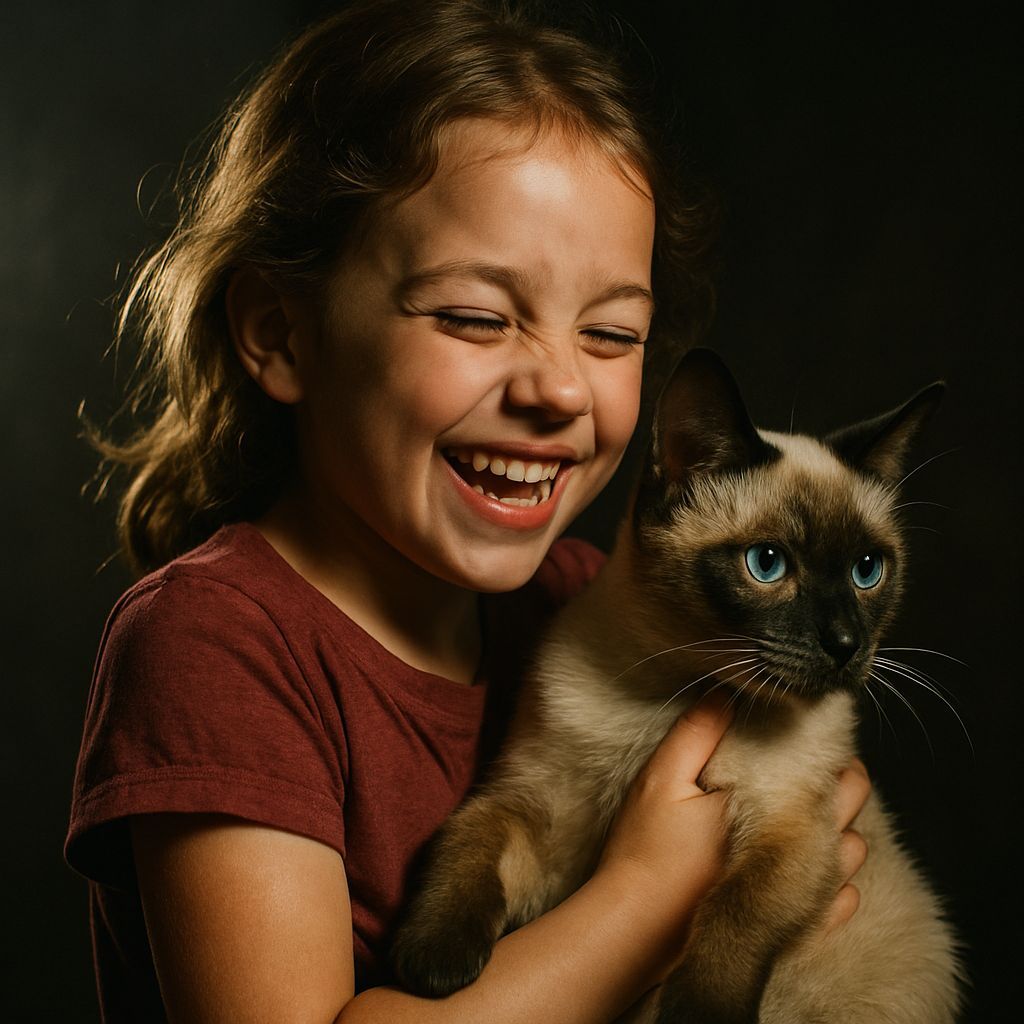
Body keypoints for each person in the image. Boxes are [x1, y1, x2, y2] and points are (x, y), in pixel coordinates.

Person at [65, 2, 871, 1021]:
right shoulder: (217, 645)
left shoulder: (593, 603)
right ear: (280, 333)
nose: (560, 390)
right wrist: (646, 897)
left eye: (612, 334)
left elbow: (829, 835)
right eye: (475, 318)